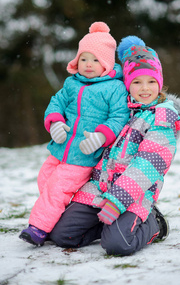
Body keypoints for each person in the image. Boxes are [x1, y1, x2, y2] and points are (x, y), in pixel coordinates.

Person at [49, 35, 180, 256]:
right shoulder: (120, 109)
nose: (144, 88)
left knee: (118, 244)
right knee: (62, 235)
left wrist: (117, 202)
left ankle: (154, 223)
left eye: (151, 81)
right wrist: (57, 122)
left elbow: (148, 165)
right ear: (127, 83)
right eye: (136, 82)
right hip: (99, 187)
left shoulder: (162, 118)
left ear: (160, 83)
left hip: (135, 193)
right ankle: (106, 226)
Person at [19, 22, 130, 246]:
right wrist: (55, 123)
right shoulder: (71, 83)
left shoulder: (114, 88)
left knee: (58, 188)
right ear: (76, 60)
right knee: (46, 180)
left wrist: (101, 136)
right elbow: (56, 104)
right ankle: (58, 219)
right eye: (84, 58)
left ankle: (39, 228)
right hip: (59, 149)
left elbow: (119, 116)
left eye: (96, 60)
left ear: (107, 64)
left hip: (83, 155)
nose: (88, 64)